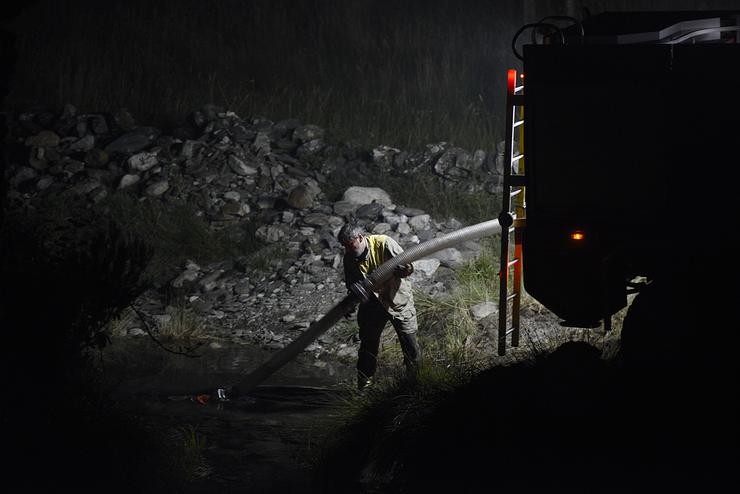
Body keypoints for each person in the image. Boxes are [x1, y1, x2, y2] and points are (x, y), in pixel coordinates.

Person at [337, 222, 421, 390]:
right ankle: (364, 387)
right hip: (372, 305)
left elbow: (409, 266)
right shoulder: (349, 258)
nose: (347, 249)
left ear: (360, 238)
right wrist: (352, 299)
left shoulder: (384, 243)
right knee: (368, 347)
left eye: (350, 244)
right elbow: (352, 285)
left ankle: (415, 386)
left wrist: (403, 269)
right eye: (344, 246)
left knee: (410, 345)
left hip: (397, 300)